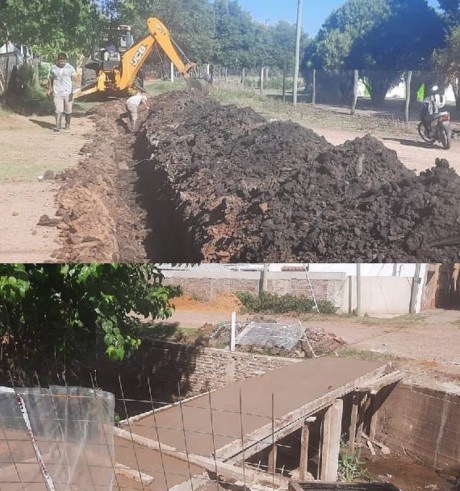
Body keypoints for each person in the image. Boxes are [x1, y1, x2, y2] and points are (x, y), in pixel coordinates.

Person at [47, 52, 77, 132]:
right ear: (58, 60)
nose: (62, 63)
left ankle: (67, 124)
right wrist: (49, 89)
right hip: (57, 92)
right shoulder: (53, 68)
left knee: (68, 110)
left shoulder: (70, 68)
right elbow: (50, 79)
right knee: (58, 109)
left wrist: (74, 90)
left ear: (66, 60)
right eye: (61, 61)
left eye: (64, 61)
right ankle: (58, 126)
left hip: (68, 92)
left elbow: (75, 79)